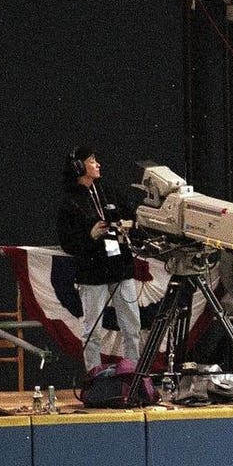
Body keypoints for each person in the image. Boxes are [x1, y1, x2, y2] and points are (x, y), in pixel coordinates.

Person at [56, 146, 142, 373]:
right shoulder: (70, 202)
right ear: (78, 166)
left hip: (120, 267)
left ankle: (133, 374)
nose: (98, 164)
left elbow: (133, 218)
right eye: (92, 160)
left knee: (132, 326)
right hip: (92, 272)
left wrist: (127, 228)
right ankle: (94, 375)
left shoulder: (109, 191)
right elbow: (67, 243)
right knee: (92, 330)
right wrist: (90, 235)